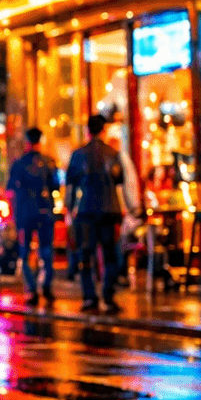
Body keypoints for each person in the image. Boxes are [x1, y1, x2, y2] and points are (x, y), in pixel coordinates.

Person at [65, 114, 127, 313]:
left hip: (87, 211)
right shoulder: (113, 153)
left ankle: (89, 297)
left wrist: (69, 208)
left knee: (86, 255)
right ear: (104, 130)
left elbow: (71, 185)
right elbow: (119, 182)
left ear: (88, 131)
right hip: (109, 210)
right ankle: (108, 295)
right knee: (110, 255)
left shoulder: (79, 154)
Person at [7, 127, 59, 305]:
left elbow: (11, 191)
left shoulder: (19, 164)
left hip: (25, 214)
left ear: (27, 142)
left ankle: (31, 289)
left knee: (25, 251)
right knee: (46, 250)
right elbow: (56, 187)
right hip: (45, 212)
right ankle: (47, 286)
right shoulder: (49, 162)